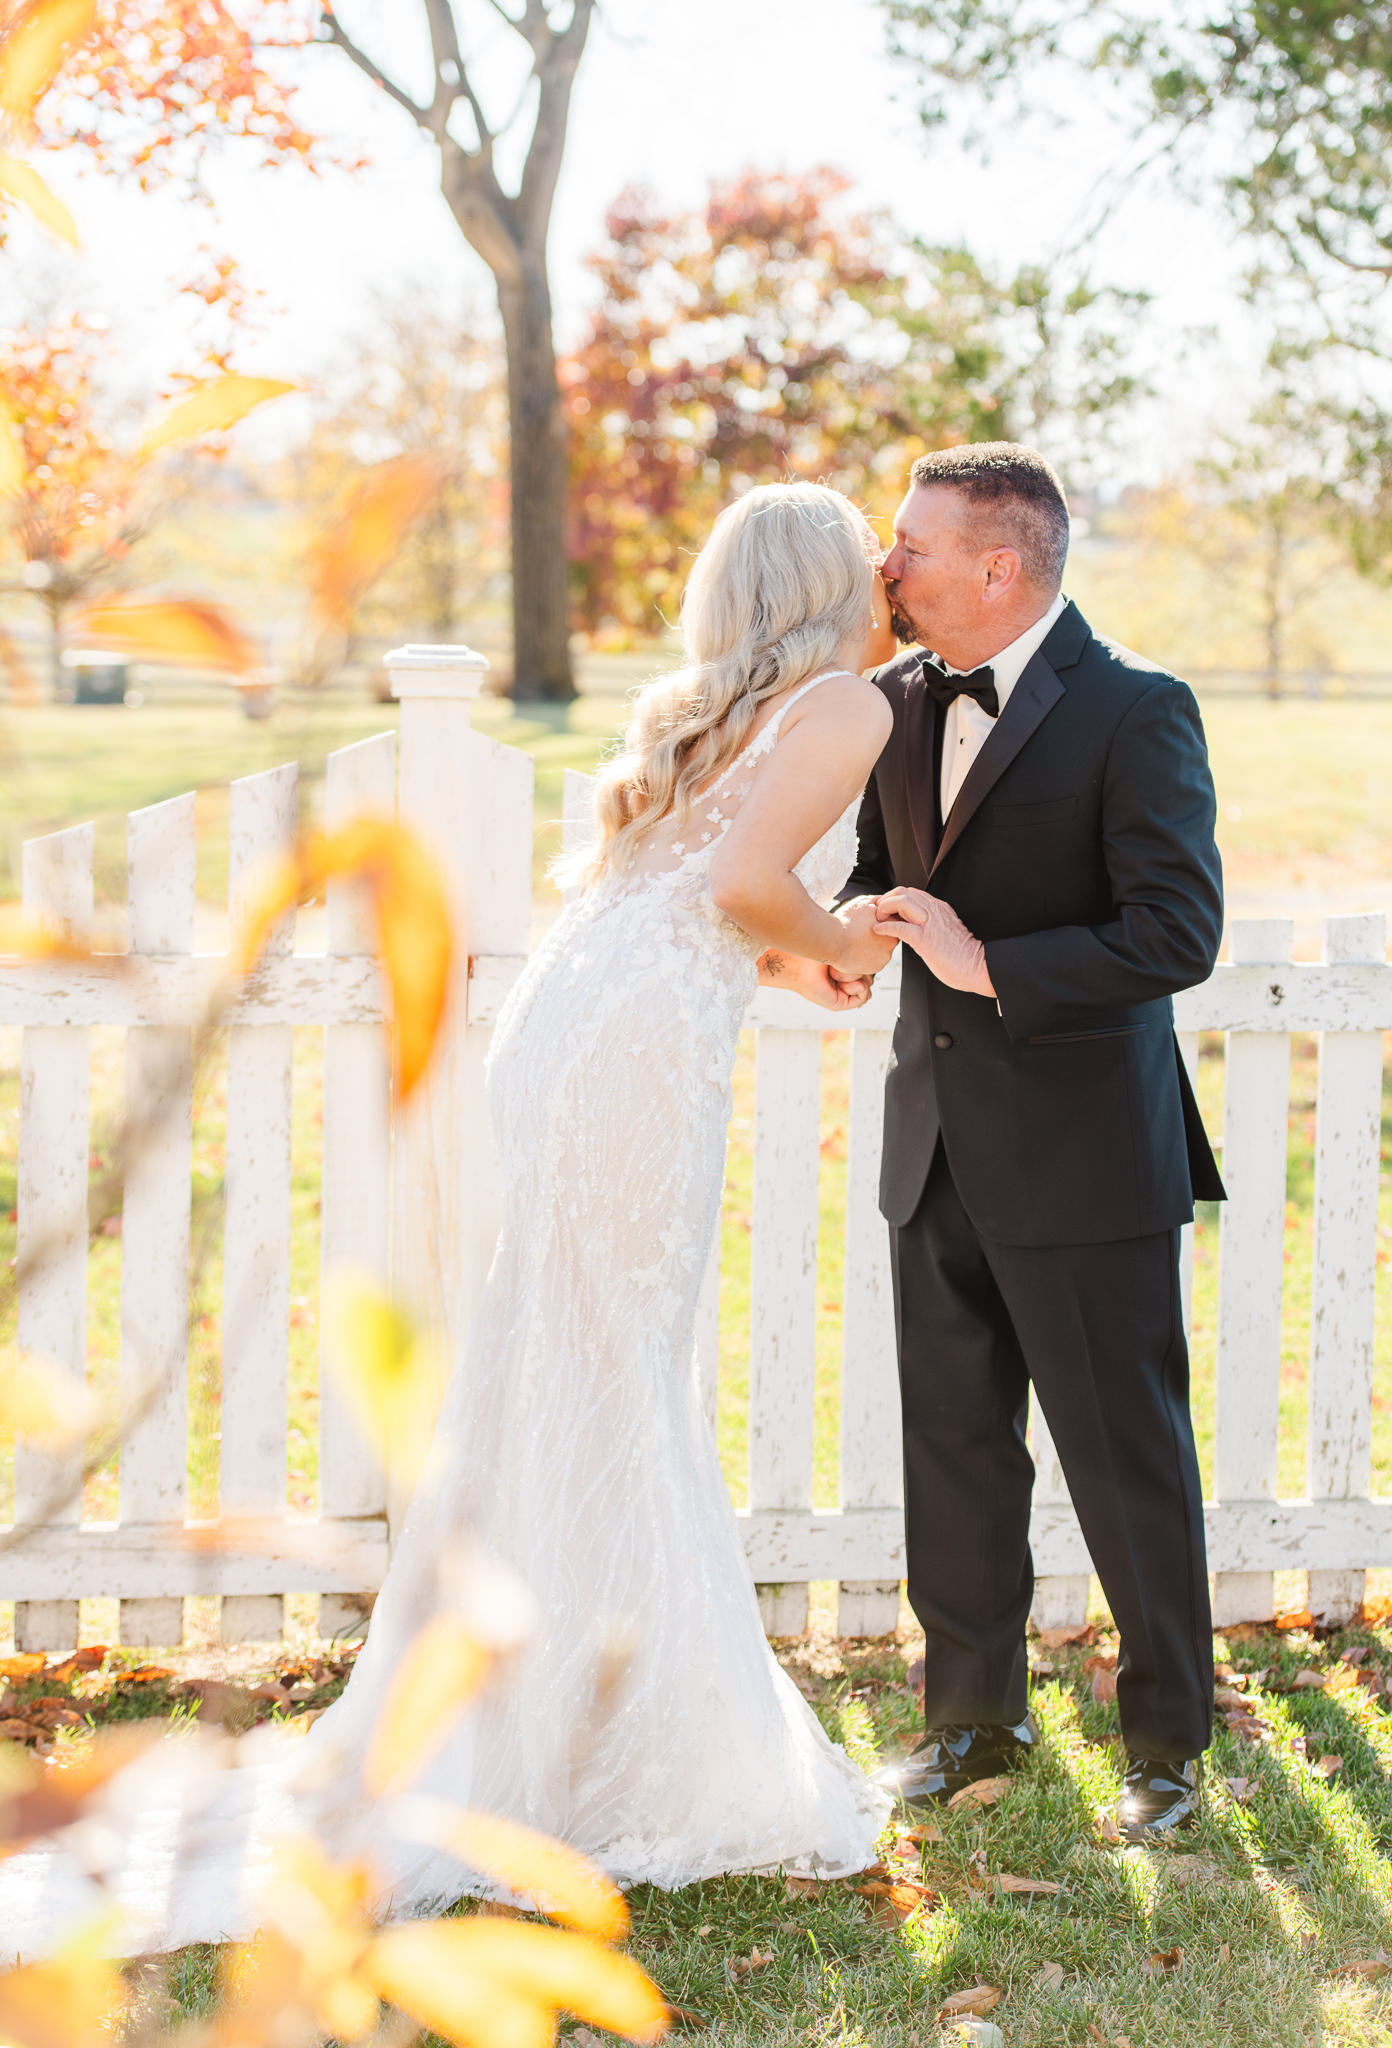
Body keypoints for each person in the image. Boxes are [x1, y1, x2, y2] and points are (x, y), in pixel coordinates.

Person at [0, 482, 898, 1960]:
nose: (885, 572)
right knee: (613, 1369)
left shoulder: (741, 706)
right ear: (823, 584)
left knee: (567, 1357)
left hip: (581, 1019)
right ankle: (614, 1749)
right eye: (868, 554)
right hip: (636, 1045)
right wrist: (849, 935)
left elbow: (695, 897)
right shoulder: (846, 708)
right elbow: (744, 886)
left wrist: (805, 963)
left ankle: (545, 1711)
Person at [834, 443, 1225, 1841]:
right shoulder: (888, 701)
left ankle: (1170, 1746)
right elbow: (882, 881)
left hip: (1085, 1157)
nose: (890, 567)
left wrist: (990, 961)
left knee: (1126, 1454)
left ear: (1001, 566)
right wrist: (845, 942)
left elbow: (1176, 932)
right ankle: (969, 1721)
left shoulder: (1137, 711)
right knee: (954, 1447)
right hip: (929, 1143)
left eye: (912, 546)